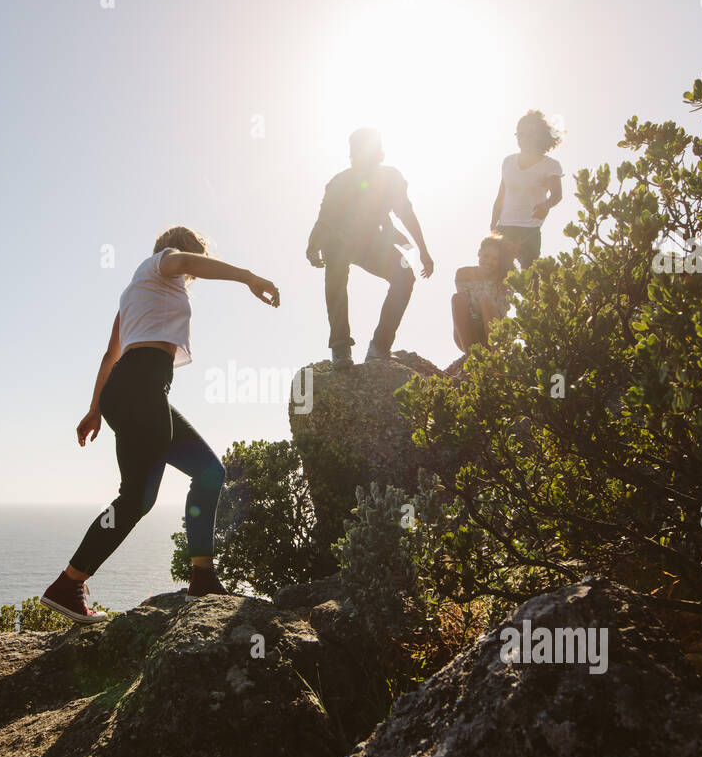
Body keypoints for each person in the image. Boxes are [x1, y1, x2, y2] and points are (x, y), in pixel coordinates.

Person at [40, 226, 280, 624]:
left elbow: (110, 354)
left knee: (206, 472)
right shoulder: (162, 261)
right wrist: (248, 277)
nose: (192, 274)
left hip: (135, 389)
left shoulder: (133, 292)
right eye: (194, 260)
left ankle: (202, 577)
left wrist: (95, 409)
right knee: (137, 498)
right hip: (141, 388)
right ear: (180, 249)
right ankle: (68, 584)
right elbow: (184, 262)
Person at [306, 127, 434, 367]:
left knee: (404, 276)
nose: (363, 160)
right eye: (357, 154)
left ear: (379, 155)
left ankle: (380, 345)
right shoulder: (338, 182)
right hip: (338, 241)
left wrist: (423, 251)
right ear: (351, 156)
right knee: (336, 276)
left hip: (368, 242)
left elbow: (406, 214)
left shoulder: (391, 178)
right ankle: (340, 347)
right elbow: (324, 219)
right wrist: (312, 245)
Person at [489, 110, 564, 268]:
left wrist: (546, 205)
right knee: (498, 276)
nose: (524, 138)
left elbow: (557, 195)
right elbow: (501, 197)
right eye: (520, 134)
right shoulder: (508, 161)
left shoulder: (550, 165)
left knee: (530, 279)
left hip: (529, 229)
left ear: (540, 136)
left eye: (529, 134)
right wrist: (492, 225)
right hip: (504, 227)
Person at [452, 233, 512, 353]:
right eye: (486, 256)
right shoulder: (463, 274)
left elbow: (501, 312)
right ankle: (471, 357)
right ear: (479, 253)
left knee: (485, 300)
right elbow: (465, 307)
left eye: (495, 258)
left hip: (495, 333)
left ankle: (496, 358)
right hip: (469, 334)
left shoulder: (504, 279)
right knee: (457, 299)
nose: (489, 261)